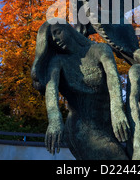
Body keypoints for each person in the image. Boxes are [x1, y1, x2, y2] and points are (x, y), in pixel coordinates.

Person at [31, 19, 130, 159]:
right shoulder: (58, 62)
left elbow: (113, 79)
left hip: (109, 124)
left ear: (68, 29)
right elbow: (51, 89)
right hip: (81, 129)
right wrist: (54, 119)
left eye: (57, 32)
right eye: (51, 39)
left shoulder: (100, 50)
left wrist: (118, 110)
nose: (55, 39)